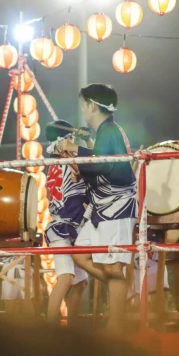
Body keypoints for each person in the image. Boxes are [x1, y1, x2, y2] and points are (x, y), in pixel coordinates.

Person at [56, 84, 137, 335]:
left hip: (117, 205)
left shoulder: (110, 130)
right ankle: (124, 290)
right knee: (80, 254)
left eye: (83, 105)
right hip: (101, 207)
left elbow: (102, 164)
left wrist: (73, 149)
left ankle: (116, 327)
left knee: (113, 268)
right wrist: (79, 163)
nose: (83, 110)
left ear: (92, 105)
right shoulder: (105, 131)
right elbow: (100, 164)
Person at [44, 119, 89, 325]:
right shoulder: (68, 162)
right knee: (65, 279)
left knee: (80, 283)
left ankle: (73, 328)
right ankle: (50, 330)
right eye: (71, 138)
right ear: (65, 139)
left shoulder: (53, 164)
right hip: (64, 226)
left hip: (69, 226)